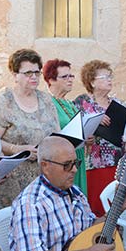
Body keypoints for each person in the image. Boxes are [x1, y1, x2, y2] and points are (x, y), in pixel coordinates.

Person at [0, 49, 59, 209]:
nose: (34, 77)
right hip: (14, 182)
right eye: (28, 73)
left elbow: (58, 134)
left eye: (37, 72)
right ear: (15, 74)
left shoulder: (46, 99)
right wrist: (18, 149)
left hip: (45, 179)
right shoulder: (6, 101)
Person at [75, 60, 123, 215]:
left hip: (116, 164)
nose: (109, 80)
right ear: (92, 82)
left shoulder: (117, 104)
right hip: (93, 165)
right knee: (97, 207)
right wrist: (94, 119)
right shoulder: (82, 104)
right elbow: (75, 131)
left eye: (110, 76)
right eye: (104, 77)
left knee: (116, 207)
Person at [43, 58, 87, 194]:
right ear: (51, 80)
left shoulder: (69, 103)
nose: (70, 79)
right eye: (64, 76)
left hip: (77, 156)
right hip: (62, 161)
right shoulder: (47, 103)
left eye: (71, 75)